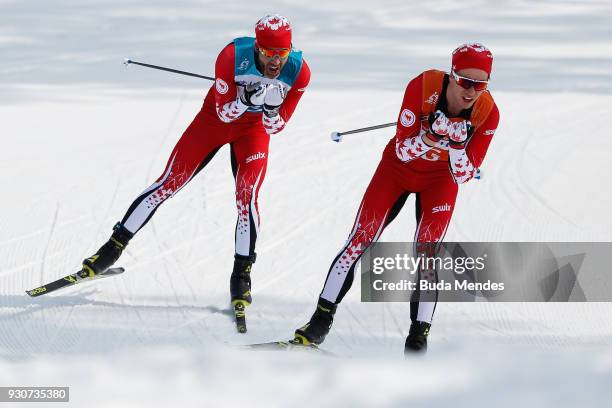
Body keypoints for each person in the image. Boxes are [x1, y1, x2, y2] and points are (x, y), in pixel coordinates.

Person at [80, 14, 310, 327]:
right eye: (269, 54)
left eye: (281, 55)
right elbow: (224, 112)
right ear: (257, 47)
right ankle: (110, 250)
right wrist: (246, 98)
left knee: (247, 197)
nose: (275, 62)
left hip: (254, 132)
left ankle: (241, 276)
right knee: (168, 184)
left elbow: (278, 125)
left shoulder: (299, 71)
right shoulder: (232, 56)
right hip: (214, 124)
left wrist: (270, 109)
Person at [294, 43, 499, 354]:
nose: (471, 91)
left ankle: (417, 342)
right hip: (397, 171)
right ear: (452, 74)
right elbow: (403, 151)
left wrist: (456, 145)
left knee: (428, 254)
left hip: (440, 181)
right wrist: (431, 136)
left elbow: (463, 175)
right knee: (359, 240)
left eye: (480, 84)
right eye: (464, 81)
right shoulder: (423, 86)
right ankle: (320, 321)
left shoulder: (488, 113)